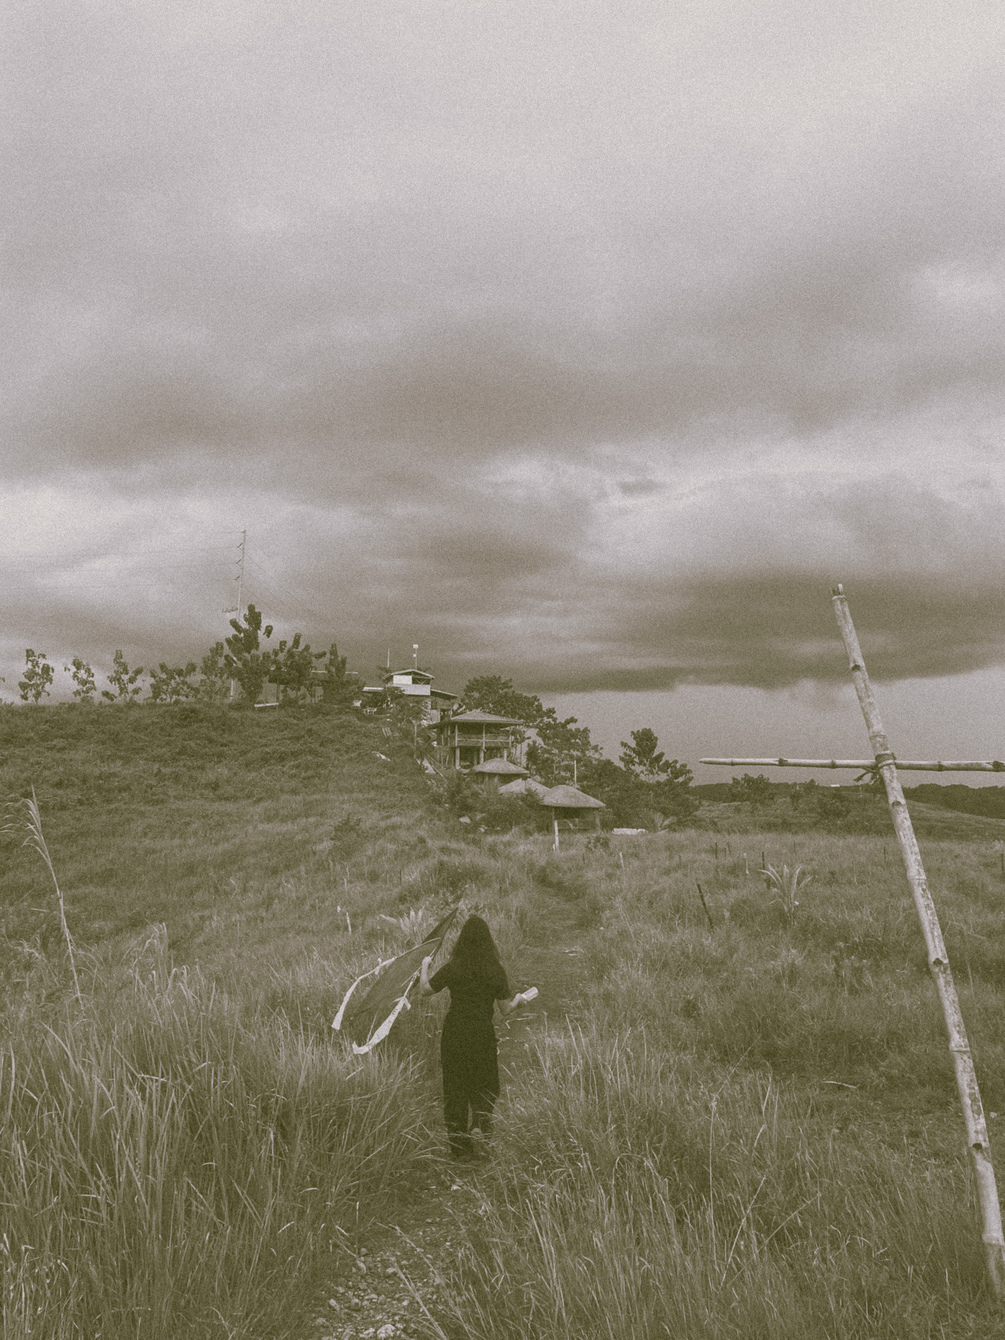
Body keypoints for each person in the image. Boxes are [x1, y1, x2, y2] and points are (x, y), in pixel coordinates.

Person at [420, 914, 535, 1160]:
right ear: (487, 941)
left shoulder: (454, 967)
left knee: (455, 1088)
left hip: (454, 1033)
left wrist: (424, 966)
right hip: (482, 1033)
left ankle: (460, 1149)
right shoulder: (495, 970)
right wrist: (519, 1000)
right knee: (485, 1083)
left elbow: (424, 990)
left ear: (462, 941)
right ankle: (479, 1125)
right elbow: (505, 1009)